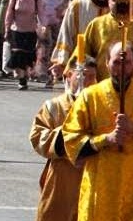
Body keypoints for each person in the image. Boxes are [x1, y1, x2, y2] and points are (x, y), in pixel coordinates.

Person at [62, 43, 133, 221]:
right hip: (101, 183)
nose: (121, 68)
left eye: (127, 62)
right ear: (106, 63)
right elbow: (71, 137)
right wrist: (105, 139)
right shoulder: (89, 96)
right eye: (116, 62)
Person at [30, 55, 99, 221]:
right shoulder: (54, 106)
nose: (87, 81)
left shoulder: (101, 106)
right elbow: (38, 137)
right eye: (82, 76)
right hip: (62, 179)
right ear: (69, 75)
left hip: (93, 177)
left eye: (92, 77)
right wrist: (66, 132)